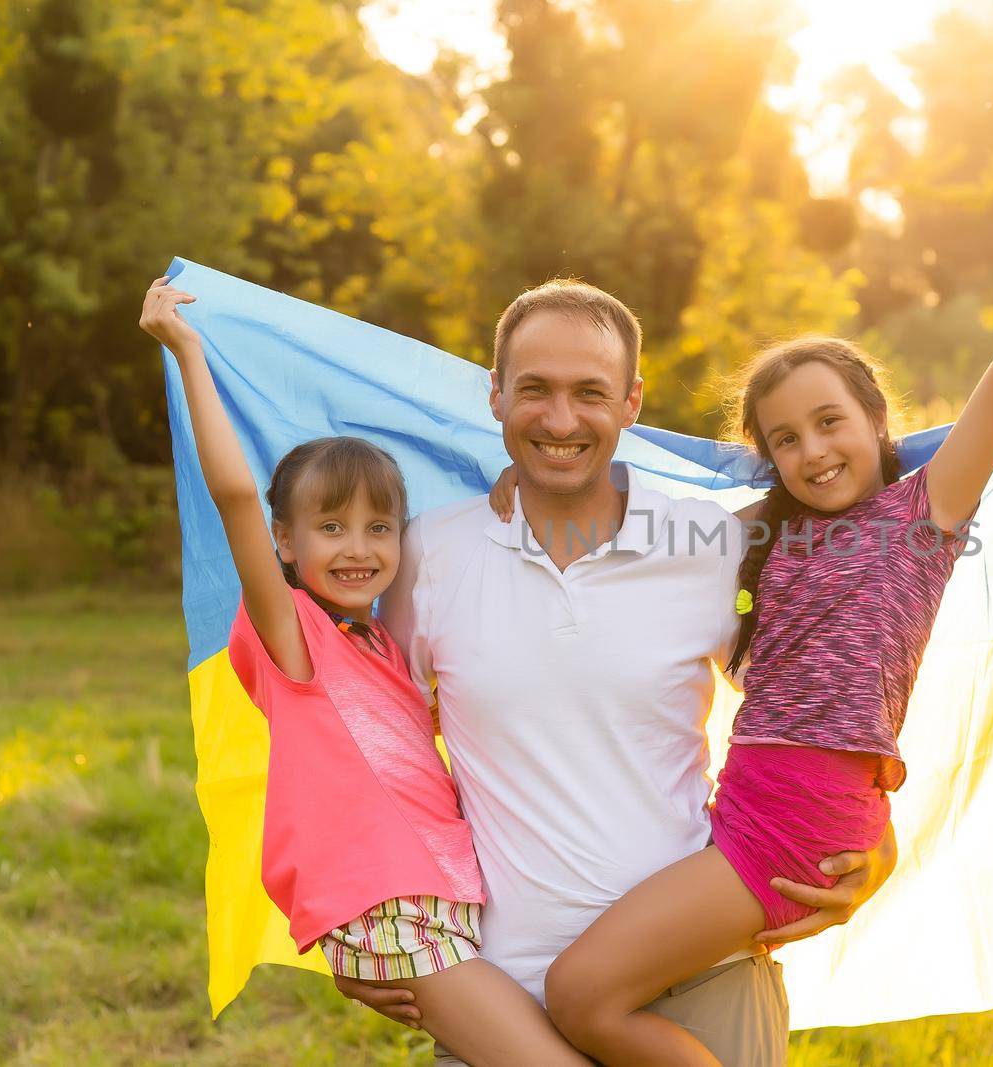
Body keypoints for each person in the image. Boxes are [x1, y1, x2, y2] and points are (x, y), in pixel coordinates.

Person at [511, 181, 993, 1066]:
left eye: (830, 422)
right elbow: (627, 497)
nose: (812, 451)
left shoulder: (924, 517)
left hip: (797, 822)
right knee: (587, 990)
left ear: (878, 420)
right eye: (785, 439)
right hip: (754, 804)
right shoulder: (767, 532)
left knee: (578, 994)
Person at [335, 279, 899, 1065]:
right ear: (495, 395)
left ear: (631, 402)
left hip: (701, 986)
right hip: (501, 1003)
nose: (561, 419)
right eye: (534, 389)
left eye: (589, 392)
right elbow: (372, 758)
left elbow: (836, 687)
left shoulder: (715, 543)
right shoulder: (426, 554)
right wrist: (365, 923)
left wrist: (871, 842)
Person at [138, 280, 589, 1066]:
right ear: (285, 542)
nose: (357, 547)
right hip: (391, 907)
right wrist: (187, 355)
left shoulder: (385, 643)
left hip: (448, 899)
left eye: (379, 526)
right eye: (330, 526)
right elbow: (237, 494)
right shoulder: (294, 636)